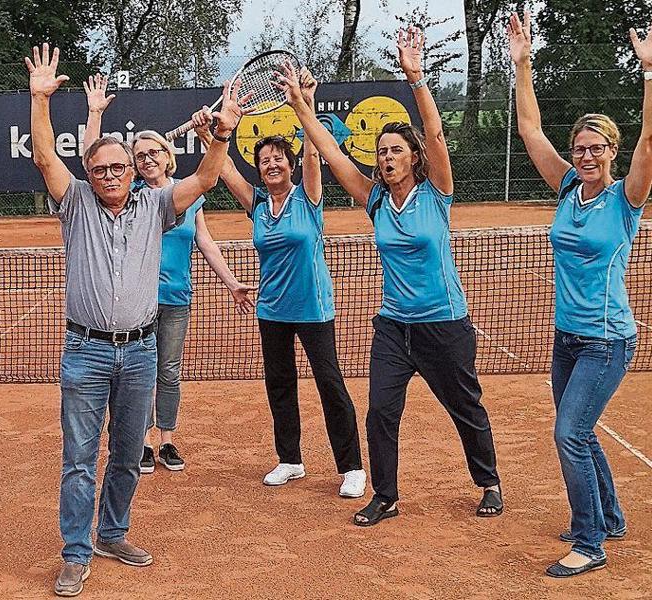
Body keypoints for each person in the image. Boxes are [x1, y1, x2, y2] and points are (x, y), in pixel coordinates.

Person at [25, 43, 249, 597]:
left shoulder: (157, 204)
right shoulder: (74, 201)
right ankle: (75, 552)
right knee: (79, 459)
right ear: (89, 173)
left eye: (119, 167)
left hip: (142, 349)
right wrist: (39, 99)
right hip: (86, 352)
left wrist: (221, 135)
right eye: (100, 169)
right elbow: (44, 157)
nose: (110, 175)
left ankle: (111, 533)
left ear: (131, 170)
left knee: (126, 454)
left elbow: (203, 180)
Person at [294, 27, 503, 526]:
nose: (386, 157)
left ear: (412, 157)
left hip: (444, 323)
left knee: (465, 408)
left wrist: (416, 79)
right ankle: (384, 495)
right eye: (381, 151)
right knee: (381, 413)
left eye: (395, 150)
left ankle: (489, 482)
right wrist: (303, 106)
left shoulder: (437, 193)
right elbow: (333, 154)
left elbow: (434, 133)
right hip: (393, 327)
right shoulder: (376, 201)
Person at [508, 13, 652, 577]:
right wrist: (522, 63)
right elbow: (529, 131)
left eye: (597, 148)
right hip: (567, 339)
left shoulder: (627, 198)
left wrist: (649, 73)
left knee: (568, 432)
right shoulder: (568, 185)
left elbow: (651, 140)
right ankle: (609, 516)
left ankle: (590, 543)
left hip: (607, 339)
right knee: (582, 430)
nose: (586, 155)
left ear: (612, 152)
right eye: (581, 147)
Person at [192, 62, 366, 497]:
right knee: (280, 385)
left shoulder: (307, 197)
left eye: (277, 159)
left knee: (330, 384)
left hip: (313, 308)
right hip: (271, 310)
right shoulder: (254, 203)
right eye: (264, 160)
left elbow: (312, 152)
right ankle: (290, 460)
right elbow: (223, 169)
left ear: (290, 165)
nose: (271, 164)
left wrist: (304, 102)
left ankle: (352, 467)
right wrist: (208, 133)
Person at [81, 74, 256, 475]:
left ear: (167, 155)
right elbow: (91, 162)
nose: (147, 160)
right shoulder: (132, 197)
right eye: (139, 156)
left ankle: (167, 439)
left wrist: (231, 283)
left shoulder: (188, 195)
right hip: (137, 301)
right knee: (139, 374)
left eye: (153, 153)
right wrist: (94, 114)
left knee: (170, 372)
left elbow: (205, 242)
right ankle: (141, 441)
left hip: (177, 299)